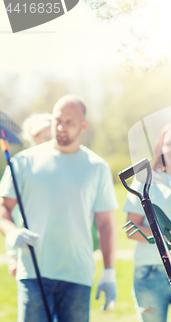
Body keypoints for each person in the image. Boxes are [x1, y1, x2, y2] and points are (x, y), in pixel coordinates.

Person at [0, 95, 119, 322]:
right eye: (57, 120)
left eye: (70, 122)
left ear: (83, 126)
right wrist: (11, 232)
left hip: (78, 275)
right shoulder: (23, 161)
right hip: (33, 272)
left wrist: (109, 271)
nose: (61, 127)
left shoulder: (97, 167)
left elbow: (105, 223)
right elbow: (3, 207)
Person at [123, 123, 171, 322]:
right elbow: (131, 229)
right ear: (160, 147)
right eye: (169, 143)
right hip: (151, 271)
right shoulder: (147, 180)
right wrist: (164, 236)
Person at [5, 113, 53, 277]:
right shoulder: (22, 165)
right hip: (27, 250)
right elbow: (9, 214)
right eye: (47, 138)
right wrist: (13, 255)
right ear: (34, 137)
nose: (51, 142)